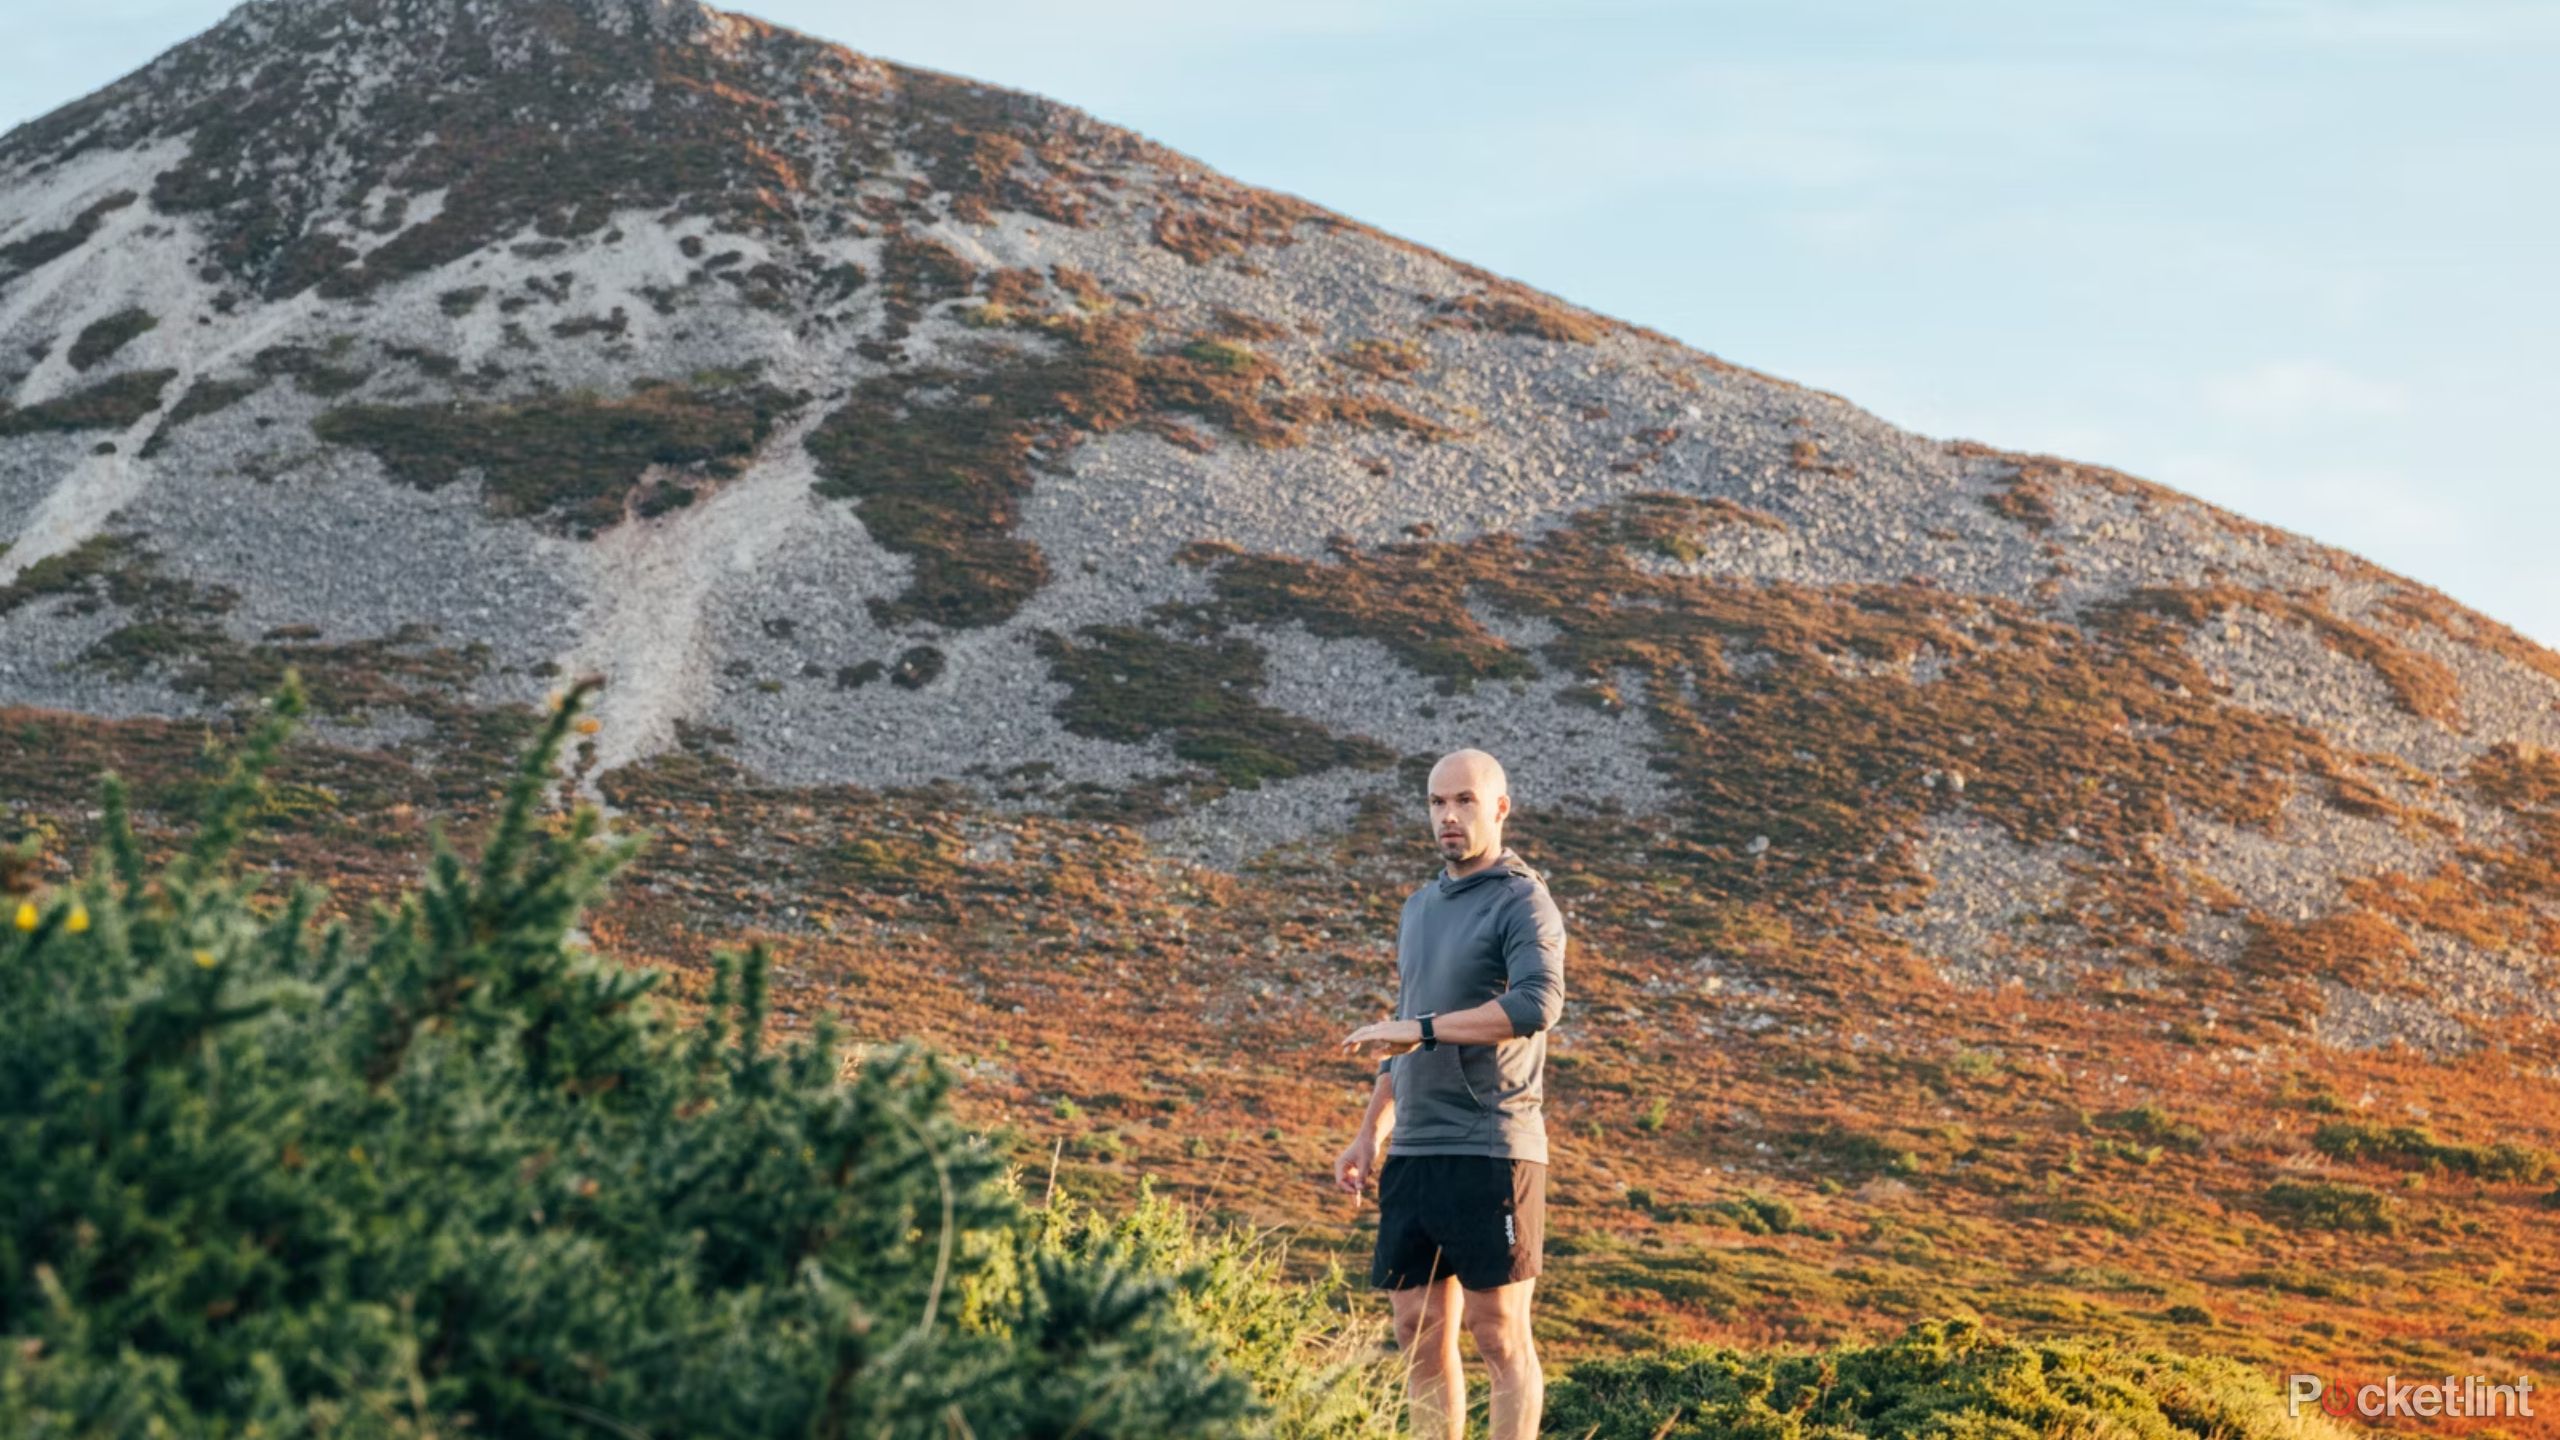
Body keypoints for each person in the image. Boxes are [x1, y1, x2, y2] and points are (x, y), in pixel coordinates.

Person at [1337, 748, 1567, 1440]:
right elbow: (1404, 1029)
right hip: (1415, 1148)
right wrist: (1368, 1133)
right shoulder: (1420, 906)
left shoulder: (1524, 900)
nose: (1448, 816)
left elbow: (1537, 1004)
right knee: (1417, 1330)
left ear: (1500, 808)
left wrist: (1425, 1029)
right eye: (1437, 802)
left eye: (1464, 801)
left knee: (1499, 1335)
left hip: (1491, 1144)